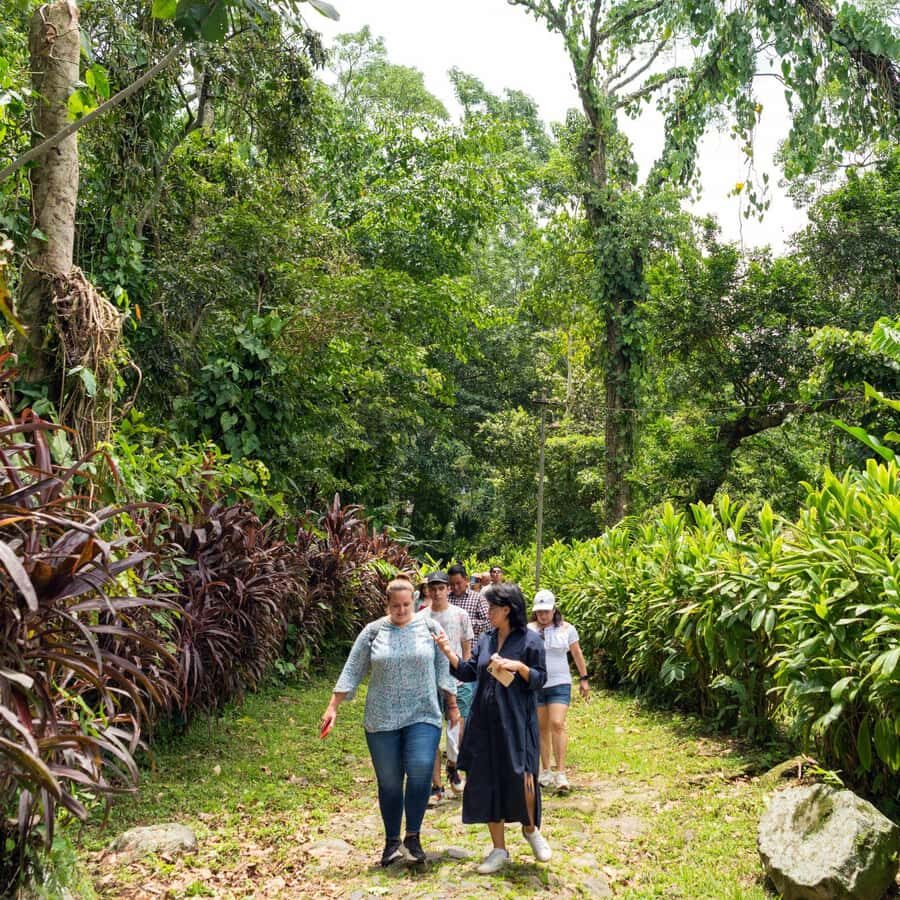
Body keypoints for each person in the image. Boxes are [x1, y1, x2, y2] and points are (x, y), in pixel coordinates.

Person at [320, 578, 459, 867]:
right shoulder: (373, 632)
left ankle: (413, 836)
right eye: (395, 605)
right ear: (387, 604)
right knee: (390, 782)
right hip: (382, 718)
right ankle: (391, 841)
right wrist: (333, 706)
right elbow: (353, 669)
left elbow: (443, 667)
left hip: (423, 712)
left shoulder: (430, 627)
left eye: (406, 604)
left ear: (415, 601)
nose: (401, 610)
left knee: (421, 770)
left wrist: (452, 703)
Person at [433, 582, 552, 874]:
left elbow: (540, 679)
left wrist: (518, 667)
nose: (488, 613)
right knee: (486, 781)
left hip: (516, 721)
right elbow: (469, 670)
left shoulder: (530, 641)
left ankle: (530, 828)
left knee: (522, 775)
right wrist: (449, 652)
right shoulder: (486, 639)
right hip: (484, 722)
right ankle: (499, 848)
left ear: (508, 609)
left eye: (492, 608)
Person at [528, 589, 589, 791]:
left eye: (546, 611)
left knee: (557, 723)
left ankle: (561, 772)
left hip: (560, 682)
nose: (543, 615)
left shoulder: (567, 629)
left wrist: (584, 678)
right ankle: (545, 770)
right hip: (537, 685)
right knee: (541, 728)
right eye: (539, 612)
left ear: (554, 609)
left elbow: (577, 653)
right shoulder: (529, 630)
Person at [423, 571, 473, 801]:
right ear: (428, 591)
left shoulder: (460, 615)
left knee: (456, 727)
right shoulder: (421, 617)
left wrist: (465, 676)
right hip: (428, 681)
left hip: (456, 679)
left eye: (441, 587)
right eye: (432, 588)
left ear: (447, 590)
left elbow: (466, 649)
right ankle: (436, 786)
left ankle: (453, 765)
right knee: (431, 732)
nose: (437, 592)